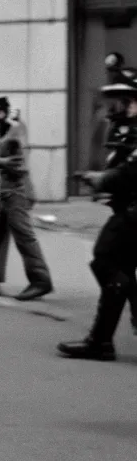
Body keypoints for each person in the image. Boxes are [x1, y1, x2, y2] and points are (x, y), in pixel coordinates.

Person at [58, 69, 137, 360]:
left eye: (120, 101)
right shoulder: (126, 130)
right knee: (122, 269)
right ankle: (101, 341)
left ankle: (101, 341)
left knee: (106, 261)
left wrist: (101, 179)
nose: (112, 108)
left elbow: (131, 172)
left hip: (133, 215)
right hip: (128, 211)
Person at [0, 97, 53, 301]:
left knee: (24, 236)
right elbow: (2, 162)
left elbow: (19, 164)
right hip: (7, 191)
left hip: (17, 190)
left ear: (6, 111)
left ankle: (41, 280)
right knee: (0, 235)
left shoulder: (16, 129)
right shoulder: (4, 132)